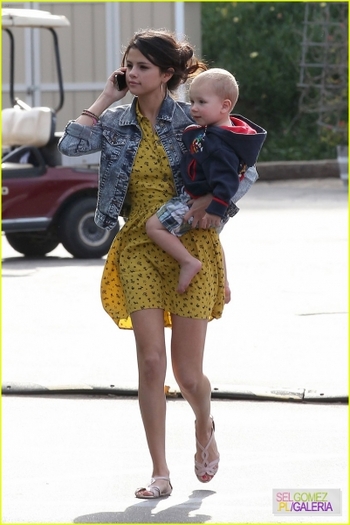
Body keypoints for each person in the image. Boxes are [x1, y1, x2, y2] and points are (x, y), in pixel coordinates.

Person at [58, 29, 230, 500]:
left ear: (167, 73)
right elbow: (69, 148)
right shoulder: (114, 121)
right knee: (151, 363)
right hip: (136, 243)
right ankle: (160, 471)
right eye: (128, 65)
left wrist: (215, 234)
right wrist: (103, 98)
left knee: (188, 375)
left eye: (142, 67)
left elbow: (232, 179)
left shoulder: (194, 119)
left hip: (189, 246)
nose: (132, 74)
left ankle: (203, 423)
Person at [146, 68, 267, 294]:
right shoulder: (216, 133)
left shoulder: (220, 145)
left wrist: (215, 209)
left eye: (201, 102)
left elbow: (228, 179)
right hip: (209, 203)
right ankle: (223, 283)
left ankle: (188, 262)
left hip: (198, 202)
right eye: (192, 101)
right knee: (211, 240)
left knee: (154, 227)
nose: (193, 108)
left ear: (225, 106)